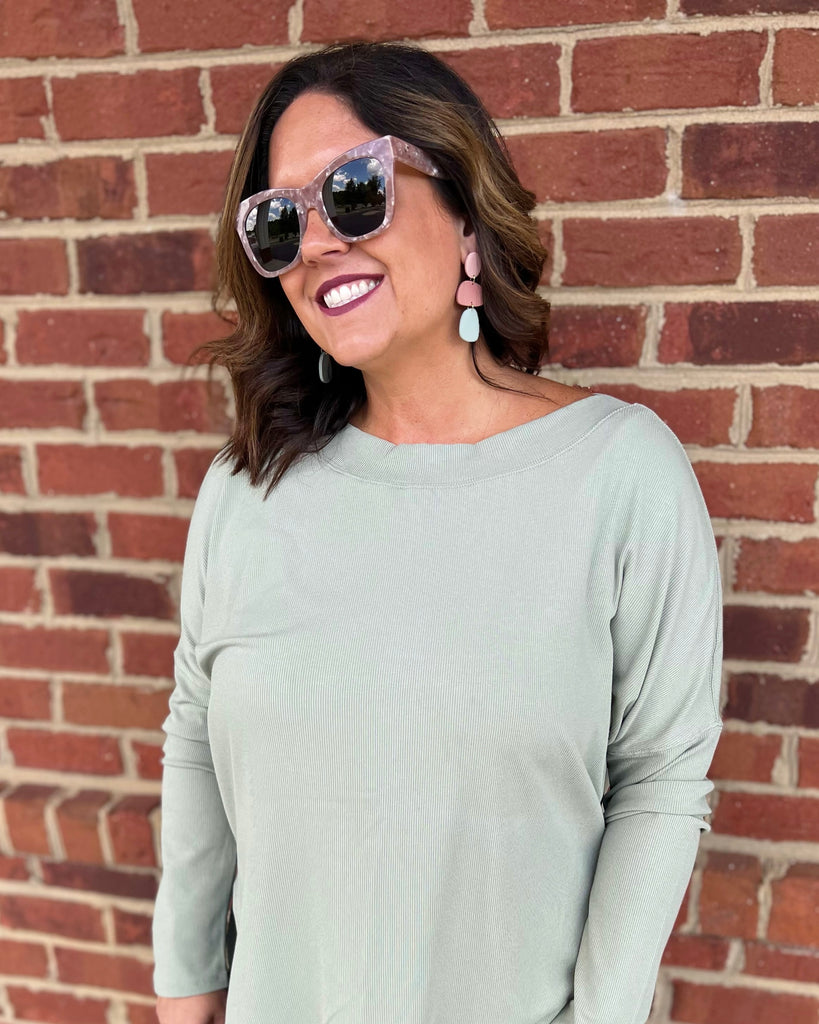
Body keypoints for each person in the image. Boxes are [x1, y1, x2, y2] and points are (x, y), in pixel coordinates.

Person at [152, 40, 724, 1024]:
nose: (316, 242)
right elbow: (195, 735)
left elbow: (660, 781)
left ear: (462, 204)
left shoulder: (619, 475)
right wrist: (185, 985)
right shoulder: (247, 489)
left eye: (354, 192)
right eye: (279, 223)